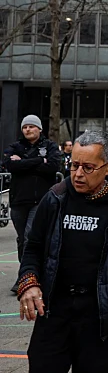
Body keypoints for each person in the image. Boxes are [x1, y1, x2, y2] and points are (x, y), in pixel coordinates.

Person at [17, 130, 108, 373]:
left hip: (102, 318)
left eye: (88, 167)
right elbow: (33, 248)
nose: (78, 174)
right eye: (74, 165)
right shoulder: (55, 198)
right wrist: (30, 282)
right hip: (54, 312)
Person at [1, 115, 61, 292]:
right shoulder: (15, 146)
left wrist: (24, 163)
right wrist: (37, 161)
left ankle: (26, 276)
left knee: (29, 237)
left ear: (39, 129)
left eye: (31, 127)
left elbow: (53, 166)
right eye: (25, 127)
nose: (28, 130)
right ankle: (28, 272)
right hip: (19, 201)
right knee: (22, 240)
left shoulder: (49, 146)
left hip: (40, 201)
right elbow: (9, 166)